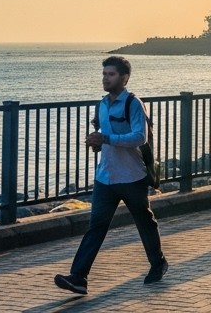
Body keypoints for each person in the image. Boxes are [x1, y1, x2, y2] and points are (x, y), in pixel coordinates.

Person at [54, 56, 167, 296]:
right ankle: (79, 277)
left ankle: (158, 263)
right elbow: (105, 134)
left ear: (124, 78)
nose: (106, 78)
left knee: (144, 221)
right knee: (96, 226)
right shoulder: (102, 104)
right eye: (104, 74)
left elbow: (140, 137)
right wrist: (97, 142)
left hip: (131, 176)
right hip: (105, 176)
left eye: (111, 74)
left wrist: (107, 139)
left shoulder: (133, 103)